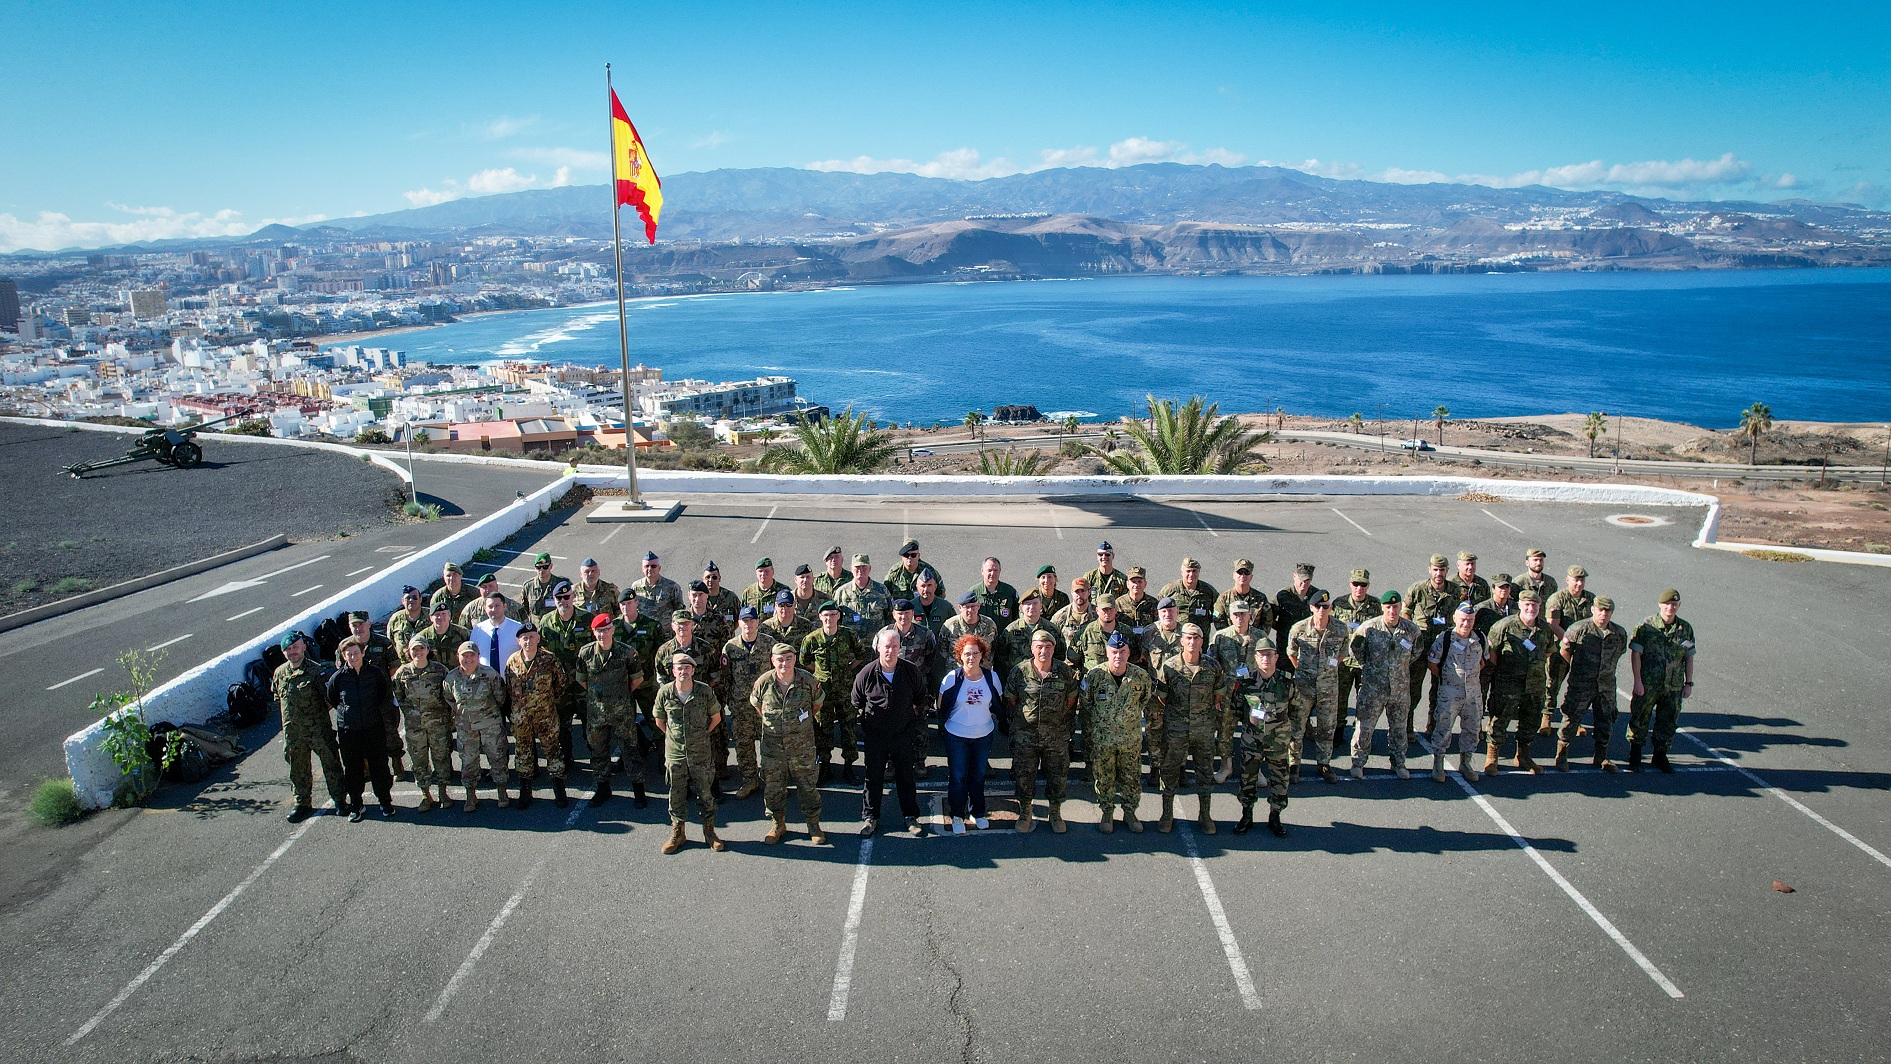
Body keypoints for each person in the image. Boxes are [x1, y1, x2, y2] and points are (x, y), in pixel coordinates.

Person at [851, 628, 927, 838]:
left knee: (906, 777)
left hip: (903, 734)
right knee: (873, 778)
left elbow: (920, 696)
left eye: (895, 646)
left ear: (900, 648)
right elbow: (856, 700)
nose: (890, 651)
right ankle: (870, 817)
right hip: (876, 736)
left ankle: (910, 816)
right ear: (877, 648)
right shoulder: (866, 673)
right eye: (886, 646)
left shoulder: (911, 671)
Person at [1006, 630, 1080, 833]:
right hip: (1026, 736)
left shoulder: (1064, 672)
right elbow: (1011, 700)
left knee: (1058, 775)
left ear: (1054, 649)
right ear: (1032, 648)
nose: (1043, 651)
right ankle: (1025, 812)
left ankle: (1055, 813)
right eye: (1039, 647)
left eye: (1048, 647)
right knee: (1024, 775)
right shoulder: (1019, 671)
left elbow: (1071, 700)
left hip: (1055, 736)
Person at [1080, 631, 1154, 833]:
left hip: (1130, 740)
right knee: (1104, 777)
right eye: (1114, 651)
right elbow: (1086, 704)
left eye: (1122, 651)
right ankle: (1107, 812)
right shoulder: (1095, 676)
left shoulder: (1140, 676)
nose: (1118, 656)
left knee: (1131, 778)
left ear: (1128, 652)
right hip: (1103, 740)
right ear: (1107, 652)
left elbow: (1145, 700)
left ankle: (1130, 812)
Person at [753, 643, 827, 844]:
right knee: (773, 787)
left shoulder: (808, 681)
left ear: (795, 659)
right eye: (779, 659)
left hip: (802, 746)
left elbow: (817, 704)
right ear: (772, 661)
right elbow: (757, 706)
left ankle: (813, 825)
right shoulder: (764, 682)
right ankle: (778, 824)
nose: (784, 663)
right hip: (773, 747)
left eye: (788, 658)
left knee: (808, 786)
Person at [1155, 624, 1224, 833]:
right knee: (1169, 770)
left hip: (1203, 728)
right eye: (1188, 638)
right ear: (1182, 641)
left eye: (1196, 638)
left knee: (1205, 772)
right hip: (1176, 728)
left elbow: (1218, 694)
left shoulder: (1212, 667)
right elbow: (1162, 696)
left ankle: (1205, 815)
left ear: (1202, 641)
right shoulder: (1170, 666)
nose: (1192, 642)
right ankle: (1167, 814)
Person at [653, 653, 724, 853]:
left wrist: (700, 735)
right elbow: (659, 721)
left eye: (687, 668)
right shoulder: (665, 693)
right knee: (676, 794)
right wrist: (674, 738)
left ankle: (710, 832)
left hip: (700, 752)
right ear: (673, 671)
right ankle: (678, 833)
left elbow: (716, 717)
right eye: (679, 668)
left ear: (693, 671)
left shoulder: (704, 691)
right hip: (675, 754)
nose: (683, 671)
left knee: (705, 793)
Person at [272, 631, 346, 822]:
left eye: (295, 647)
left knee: (331, 764)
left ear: (303, 647)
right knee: (298, 769)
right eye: (288, 649)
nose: (292, 652)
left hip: (318, 730)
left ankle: (339, 800)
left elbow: (329, 699)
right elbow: (278, 700)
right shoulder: (279, 673)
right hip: (293, 733)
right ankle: (302, 803)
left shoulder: (316, 672)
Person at [1349, 591, 1422, 779]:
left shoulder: (1411, 630)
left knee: (1399, 729)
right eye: (1388, 607)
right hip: (1373, 689)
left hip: (1399, 689)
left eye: (1395, 607)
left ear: (1400, 607)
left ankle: (1399, 763)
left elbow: (1416, 652)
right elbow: (1355, 650)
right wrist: (1370, 668)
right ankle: (1358, 763)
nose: (1392, 610)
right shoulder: (1369, 628)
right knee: (1364, 728)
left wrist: (1398, 669)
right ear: (1382, 607)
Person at [578, 612, 643, 805]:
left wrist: (619, 695)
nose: (602, 634)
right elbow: (582, 680)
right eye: (599, 631)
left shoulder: (626, 652)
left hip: (622, 713)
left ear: (613, 630)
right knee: (598, 751)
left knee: (630, 750)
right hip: (597, 713)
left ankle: (638, 791)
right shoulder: (586, 653)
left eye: (606, 630)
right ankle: (603, 789)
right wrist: (599, 696)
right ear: (593, 632)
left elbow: (637, 679)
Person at [938, 635, 1001, 833]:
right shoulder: (951, 678)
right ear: (959, 656)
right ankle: (957, 815)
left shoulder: (992, 677)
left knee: (979, 775)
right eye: (967, 654)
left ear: (982, 655)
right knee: (957, 776)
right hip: (957, 735)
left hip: (983, 734)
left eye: (975, 653)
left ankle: (978, 812)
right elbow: (941, 705)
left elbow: (997, 703)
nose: (971, 657)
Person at [1629, 589, 1696, 774]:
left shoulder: (1685, 629)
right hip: (1648, 683)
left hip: (1673, 686)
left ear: (1679, 606)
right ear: (1660, 605)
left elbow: (1689, 657)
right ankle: (1635, 754)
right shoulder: (1646, 626)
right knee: (1640, 718)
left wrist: (1688, 683)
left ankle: (1660, 755)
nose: (1670, 607)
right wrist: (1637, 681)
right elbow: (1636, 654)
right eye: (1667, 604)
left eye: (1674, 604)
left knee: (1668, 721)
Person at [1484, 591, 1552, 774]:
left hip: (1535, 685)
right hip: (1508, 684)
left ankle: (1523, 756)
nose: (1531, 609)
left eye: (1535, 606)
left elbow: (1548, 652)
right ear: (1520, 605)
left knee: (1530, 722)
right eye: (1527, 605)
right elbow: (1492, 653)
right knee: (1499, 719)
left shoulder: (1545, 629)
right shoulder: (1504, 626)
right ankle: (1492, 758)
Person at [328, 635, 394, 821]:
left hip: (373, 727)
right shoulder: (338, 678)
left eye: (356, 652)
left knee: (379, 766)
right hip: (349, 731)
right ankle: (356, 805)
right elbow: (333, 699)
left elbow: (382, 694)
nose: (353, 656)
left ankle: (385, 801)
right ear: (343, 656)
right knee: (353, 769)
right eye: (348, 654)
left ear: (363, 652)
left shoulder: (374, 673)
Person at [1560, 595, 1629, 772]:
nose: (1603, 614)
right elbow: (1565, 651)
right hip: (1581, 684)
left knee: (1606, 721)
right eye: (1600, 610)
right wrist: (1577, 671)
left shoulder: (1618, 633)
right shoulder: (1579, 629)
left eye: (1607, 611)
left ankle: (1601, 756)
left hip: (1606, 686)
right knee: (1571, 719)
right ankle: (1562, 755)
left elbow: (1619, 652)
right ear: (1593, 610)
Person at [505, 622, 570, 808]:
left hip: (545, 716)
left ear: (538, 638)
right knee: (523, 754)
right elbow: (510, 689)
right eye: (524, 638)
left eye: (532, 637)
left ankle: (559, 789)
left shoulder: (549, 660)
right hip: (521, 718)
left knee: (553, 751)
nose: (528, 641)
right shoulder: (512, 661)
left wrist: (547, 702)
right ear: (519, 641)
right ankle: (525, 791)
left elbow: (561, 684)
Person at [1235, 639, 1294, 837]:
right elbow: (1236, 709)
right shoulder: (1245, 682)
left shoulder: (1287, 682)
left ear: (1276, 657)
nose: (1266, 658)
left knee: (1279, 780)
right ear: (1256, 658)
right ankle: (1246, 814)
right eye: (1262, 655)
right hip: (1252, 741)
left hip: (1278, 741)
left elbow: (1296, 709)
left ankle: (1275, 816)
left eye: (1270, 654)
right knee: (1247, 779)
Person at [1285, 591, 1345, 785]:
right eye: (1317, 606)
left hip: (1328, 686)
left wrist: (1326, 671)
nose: (1321, 610)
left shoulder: (1340, 629)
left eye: (1325, 607)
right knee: (1297, 726)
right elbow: (1292, 654)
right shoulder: (1299, 629)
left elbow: (1343, 654)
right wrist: (1304, 672)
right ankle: (1294, 764)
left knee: (1327, 727)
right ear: (1311, 608)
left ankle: (1324, 763)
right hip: (1304, 686)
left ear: (1330, 608)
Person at [333, 611, 403, 778]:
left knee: (390, 733)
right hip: (358, 703)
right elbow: (340, 675)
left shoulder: (383, 642)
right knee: (362, 736)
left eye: (361, 624)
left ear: (369, 624)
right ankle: (367, 767)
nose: (358, 629)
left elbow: (394, 669)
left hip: (382, 700)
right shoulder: (344, 647)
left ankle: (396, 763)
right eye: (354, 625)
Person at [442, 640, 509, 811]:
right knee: (468, 762)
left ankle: (502, 791)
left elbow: (501, 697)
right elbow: (449, 698)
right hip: (466, 728)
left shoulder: (490, 674)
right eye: (465, 656)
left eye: (472, 655)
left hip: (490, 725)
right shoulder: (451, 677)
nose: (468, 659)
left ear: (478, 656)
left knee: (497, 758)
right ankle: (470, 795)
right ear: (458, 657)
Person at [801, 602, 864, 783]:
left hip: (844, 690)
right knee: (823, 729)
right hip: (823, 691)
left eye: (833, 615)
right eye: (826, 615)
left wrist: (848, 669)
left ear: (839, 616)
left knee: (848, 728)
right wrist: (819, 674)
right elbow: (804, 660)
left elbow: (860, 655)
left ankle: (849, 767)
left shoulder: (849, 635)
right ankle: (825, 766)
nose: (829, 619)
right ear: (820, 617)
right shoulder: (812, 639)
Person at [390, 635, 453, 811]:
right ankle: (425, 794)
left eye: (421, 648)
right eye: (414, 650)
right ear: (409, 652)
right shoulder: (402, 673)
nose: (418, 652)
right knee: (419, 760)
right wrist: (410, 714)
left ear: (428, 650)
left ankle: (443, 792)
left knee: (441, 757)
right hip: (415, 727)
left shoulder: (440, 671)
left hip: (438, 724)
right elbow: (399, 697)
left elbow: (448, 695)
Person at [1426, 603, 1488, 782]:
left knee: (1472, 728)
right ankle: (1438, 763)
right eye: (1463, 620)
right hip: (1449, 693)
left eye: (1470, 620)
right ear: (1455, 618)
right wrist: (1449, 679)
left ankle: (1466, 762)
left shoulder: (1480, 639)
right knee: (1443, 728)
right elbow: (1433, 664)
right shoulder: (1444, 639)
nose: (1466, 624)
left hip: (1473, 694)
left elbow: (1483, 663)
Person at [613, 590, 662, 807]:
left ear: (636, 603)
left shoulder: (651, 625)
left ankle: (663, 757)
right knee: (625, 725)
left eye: (629, 603)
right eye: (622, 604)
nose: (626, 607)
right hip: (623, 685)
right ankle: (631, 760)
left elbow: (661, 653)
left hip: (647, 682)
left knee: (656, 721)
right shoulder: (612, 627)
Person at [722, 606, 777, 798]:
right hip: (741, 705)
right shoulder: (730, 647)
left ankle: (772, 782)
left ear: (757, 622)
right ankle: (749, 781)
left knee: (770, 745)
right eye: (744, 621)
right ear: (739, 623)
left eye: (751, 620)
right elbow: (725, 677)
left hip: (765, 705)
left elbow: (777, 673)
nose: (748, 624)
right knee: (743, 745)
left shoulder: (769, 644)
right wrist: (730, 700)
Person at [1210, 599, 1267, 782]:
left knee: (1255, 731)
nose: (1239, 618)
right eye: (1236, 614)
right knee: (1225, 731)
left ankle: (1254, 770)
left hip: (1254, 694)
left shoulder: (1260, 637)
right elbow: (1213, 666)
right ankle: (1226, 766)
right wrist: (1216, 695)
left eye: (1243, 614)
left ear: (1250, 615)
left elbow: (1268, 665)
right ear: (1230, 616)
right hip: (1229, 693)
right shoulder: (1221, 636)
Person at [883, 599, 939, 779]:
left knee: (920, 726)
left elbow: (931, 659)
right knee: (892, 727)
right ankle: (891, 764)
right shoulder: (885, 635)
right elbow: (877, 660)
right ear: (894, 615)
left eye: (907, 613)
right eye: (899, 613)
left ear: (912, 614)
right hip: (892, 689)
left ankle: (919, 762)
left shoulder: (925, 634)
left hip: (917, 689)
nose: (903, 617)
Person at [1404, 555, 1457, 742]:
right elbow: (1406, 613)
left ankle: (1432, 726)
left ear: (1447, 571)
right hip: (1420, 647)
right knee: (1413, 689)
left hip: (1443, 648)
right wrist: (1411, 636)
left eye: (1442, 570)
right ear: (1429, 570)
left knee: (1439, 690)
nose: (1438, 574)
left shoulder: (1455, 592)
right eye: (1435, 569)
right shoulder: (1417, 589)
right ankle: (1407, 726)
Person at [1331, 568, 1379, 759]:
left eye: (1363, 585)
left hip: (1365, 663)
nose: (1359, 588)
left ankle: (1363, 738)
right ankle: (1338, 733)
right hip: (1343, 662)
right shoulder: (1339, 604)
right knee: (1340, 699)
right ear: (1350, 584)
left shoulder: (1375, 606)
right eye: (1356, 584)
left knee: (1366, 702)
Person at [1544, 565, 1597, 731]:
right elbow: (1553, 624)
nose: (1579, 584)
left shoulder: (1591, 599)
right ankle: (1547, 716)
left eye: (1582, 580)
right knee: (1552, 684)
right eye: (1576, 580)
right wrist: (1568, 640)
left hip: (1582, 651)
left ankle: (1574, 720)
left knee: (1578, 686)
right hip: (1561, 648)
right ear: (1568, 580)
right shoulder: (1557, 599)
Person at [833, 553, 893, 641]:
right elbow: (835, 619)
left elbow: (890, 616)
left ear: (870, 569)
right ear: (851, 569)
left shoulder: (881, 590)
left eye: (864, 567)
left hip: (875, 644)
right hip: (851, 645)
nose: (860, 570)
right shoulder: (842, 592)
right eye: (857, 567)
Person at [630, 551, 687, 638]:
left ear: (659, 568)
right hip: (645, 634)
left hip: (666, 634)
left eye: (653, 566)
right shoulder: (635, 587)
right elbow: (633, 610)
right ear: (642, 568)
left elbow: (679, 611)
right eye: (646, 566)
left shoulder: (671, 586)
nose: (650, 569)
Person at [1273, 562, 1322, 654]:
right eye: (1301, 580)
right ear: (1294, 576)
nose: (1304, 584)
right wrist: (1283, 629)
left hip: (1309, 644)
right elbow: (1270, 618)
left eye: (1307, 581)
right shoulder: (1283, 595)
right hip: (1285, 643)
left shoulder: (1316, 596)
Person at [470, 592, 523, 676]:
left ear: (504, 606)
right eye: (490, 607)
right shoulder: (478, 630)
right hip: (485, 683)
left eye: (497, 606)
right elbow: (472, 656)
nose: (494, 610)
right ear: (485, 608)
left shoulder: (517, 628)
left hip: (511, 681)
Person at [1213, 559, 1271, 632]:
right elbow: (1218, 621)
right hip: (1230, 640)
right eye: (1240, 572)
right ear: (1234, 575)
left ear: (1251, 576)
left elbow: (1267, 621)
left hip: (1254, 640)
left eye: (1247, 573)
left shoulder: (1260, 598)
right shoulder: (1224, 598)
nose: (1243, 576)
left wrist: (1257, 637)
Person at [1160, 557, 1218, 626]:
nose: (1191, 574)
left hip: (1199, 635)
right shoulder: (1169, 590)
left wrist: (1207, 621)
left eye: (1194, 571)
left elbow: (1218, 611)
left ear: (1199, 572)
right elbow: (1158, 610)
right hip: (1177, 634)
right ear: (1182, 572)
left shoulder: (1208, 591)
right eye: (1188, 571)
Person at [972, 557, 1020, 628]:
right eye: (989, 570)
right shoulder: (974, 593)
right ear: (982, 571)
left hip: (1005, 636)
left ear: (1000, 571)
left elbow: (1018, 615)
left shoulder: (1009, 591)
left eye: (995, 570)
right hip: (983, 637)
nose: (992, 573)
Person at [385, 585, 431, 656]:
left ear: (420, 599)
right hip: (404, 663)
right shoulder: (395, 619)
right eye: (408, 598)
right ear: (402, 601)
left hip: (428, 663)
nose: (411, 600)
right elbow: (390, 642)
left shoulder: (431, 615)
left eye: (414, 597)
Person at [519, 551, 567, 617]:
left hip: (554, 625)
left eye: (545, 567)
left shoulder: (561, 584)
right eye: (538, 567)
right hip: (536, 626)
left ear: (551, 566)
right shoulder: (528, 586)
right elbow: (524, 609)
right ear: (535, 568)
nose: (541, 570)